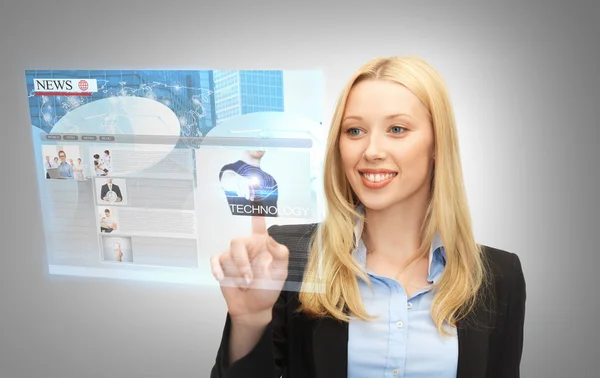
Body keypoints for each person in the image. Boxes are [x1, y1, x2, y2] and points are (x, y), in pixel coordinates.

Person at [209, 56, 526, 378]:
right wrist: (249, 322)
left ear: (437, 144)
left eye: (397, 129)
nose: (371, 151)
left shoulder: (499, 275)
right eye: (355, 130)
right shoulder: (290, 255)